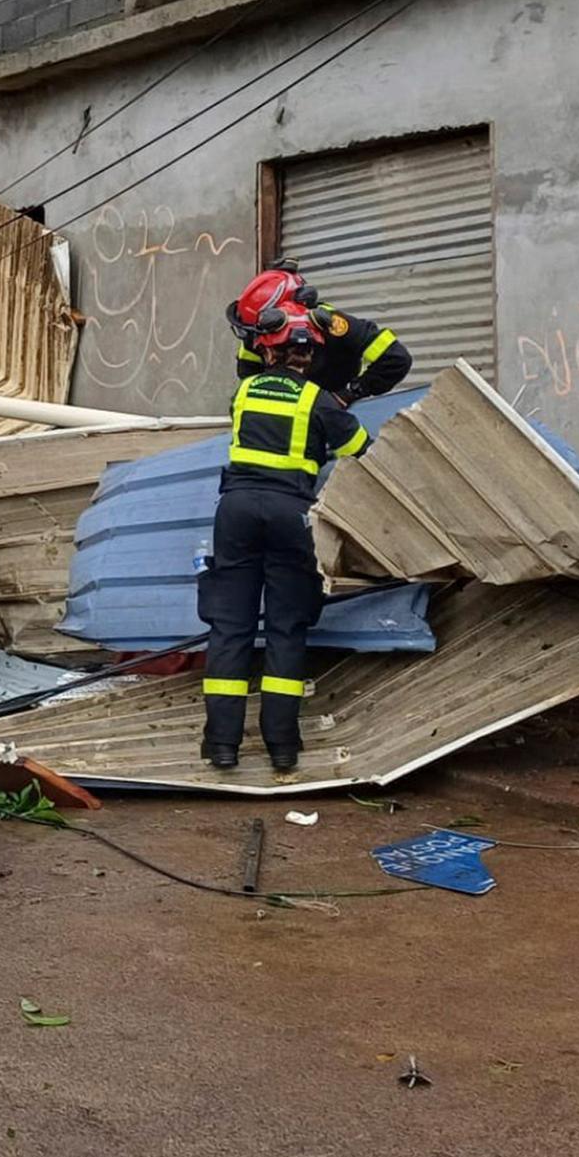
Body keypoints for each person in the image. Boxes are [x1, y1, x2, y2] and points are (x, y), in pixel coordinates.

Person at [201, 271, 371, 776]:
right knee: (286, 628)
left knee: (229, 629)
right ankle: (282, 748)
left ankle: (222, 746)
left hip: (234, 512)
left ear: (267, 349)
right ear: (309, 353)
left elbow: (249, 371)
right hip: (290, 514)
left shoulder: (245, 393)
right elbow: (358, 449)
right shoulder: (316, 400)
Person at [232, 258, 412, 403]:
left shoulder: (335, 326)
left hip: (332, 415)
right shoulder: (255, 333)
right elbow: (248, 378)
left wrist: (349, 394)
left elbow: (395, 359)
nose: (254, 340)